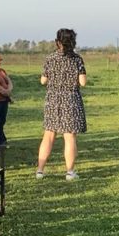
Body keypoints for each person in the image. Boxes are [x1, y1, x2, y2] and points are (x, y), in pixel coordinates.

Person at [36, 28, 87, 181]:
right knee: (69, 136)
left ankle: (40, 170)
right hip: (71, 99)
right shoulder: (77, 59)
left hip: (52, 100)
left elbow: (43, 81)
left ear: (57, 42)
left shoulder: (50, 58)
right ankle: (70, 172)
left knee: (48, 135)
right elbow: (83, 82)